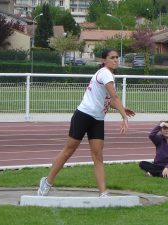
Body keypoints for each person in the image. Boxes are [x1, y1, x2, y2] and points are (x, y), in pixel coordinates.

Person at [37, 48, 135, 197]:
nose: (115, 60)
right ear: (104, 60)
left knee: (98, 156)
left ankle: (103, 193)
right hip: (83, 115)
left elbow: (108, 100)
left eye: (117, 57)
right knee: (68, 151)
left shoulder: (109, 75)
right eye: (112, 57)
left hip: (97, 120)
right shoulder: (105, 73)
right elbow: (114, 96)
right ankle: (47, 181)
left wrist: (122, 108)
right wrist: (123, 117)